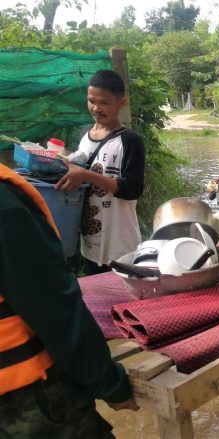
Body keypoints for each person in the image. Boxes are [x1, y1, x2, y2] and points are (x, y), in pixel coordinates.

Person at [0, 163, 138, 437]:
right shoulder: (5, 205)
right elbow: (52, 307)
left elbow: (132, 187)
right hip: (25, 389)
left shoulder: (129, 141)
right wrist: (109, 384)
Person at [55, 69, 145, 274]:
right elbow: (80, 168)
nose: (96, 108)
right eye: (91, 101)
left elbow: (133, 189)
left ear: (121, 103)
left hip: (120, 245)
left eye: (104, 102)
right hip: (90, 242)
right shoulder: (84, 135)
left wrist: (86, 175)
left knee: (122, 301)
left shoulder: (129, 141)